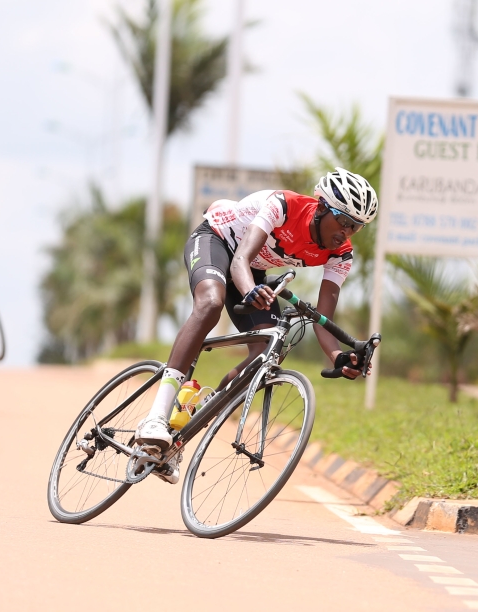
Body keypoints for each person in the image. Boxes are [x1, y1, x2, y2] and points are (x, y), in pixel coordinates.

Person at [134, 167, 379, 483]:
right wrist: (250, 288)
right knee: (210, 304)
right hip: (218, 242)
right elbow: (239, 260)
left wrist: (338, 356)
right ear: (321, 208)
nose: (346, 232)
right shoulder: (284, 206)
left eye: (356, 227)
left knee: (268, 353)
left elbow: (323, 315)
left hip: (252, 271)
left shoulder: (341, 253)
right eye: (343, 221)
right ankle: (155, 417)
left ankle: (190, 422)